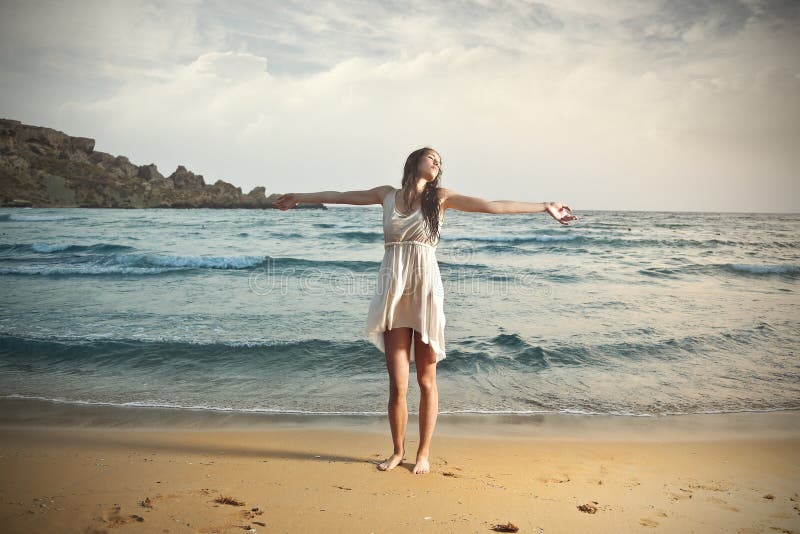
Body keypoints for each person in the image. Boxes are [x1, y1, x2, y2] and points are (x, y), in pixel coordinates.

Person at [273, 147, 577, 474]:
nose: (437, 164)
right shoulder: (385, 194)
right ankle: (397, 451)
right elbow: (341, 195)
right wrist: (300, 197)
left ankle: (423, 453)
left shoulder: (441, 197)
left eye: (440, 162)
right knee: (398, 383)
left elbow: (493, 206)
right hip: (393, 290)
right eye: (432, 158)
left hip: (427, 292)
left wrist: (544, 206)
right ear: (414, 161)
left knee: (426, 379)